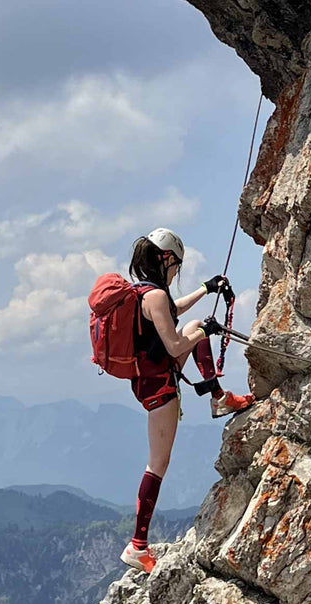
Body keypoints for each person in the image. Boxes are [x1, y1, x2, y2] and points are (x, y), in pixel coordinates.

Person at [120, 228, 254, 573]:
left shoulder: (144, 292)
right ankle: (137, 545)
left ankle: (219, 398)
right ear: (166, 259)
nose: (177, 271)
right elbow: (176, 346)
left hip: (148, 379)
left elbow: (171, 313)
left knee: (193, 323)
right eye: (176, 265)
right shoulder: (155, 296)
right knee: (157, 465)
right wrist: (204, 333)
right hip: (159, 387)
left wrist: (205, 290)